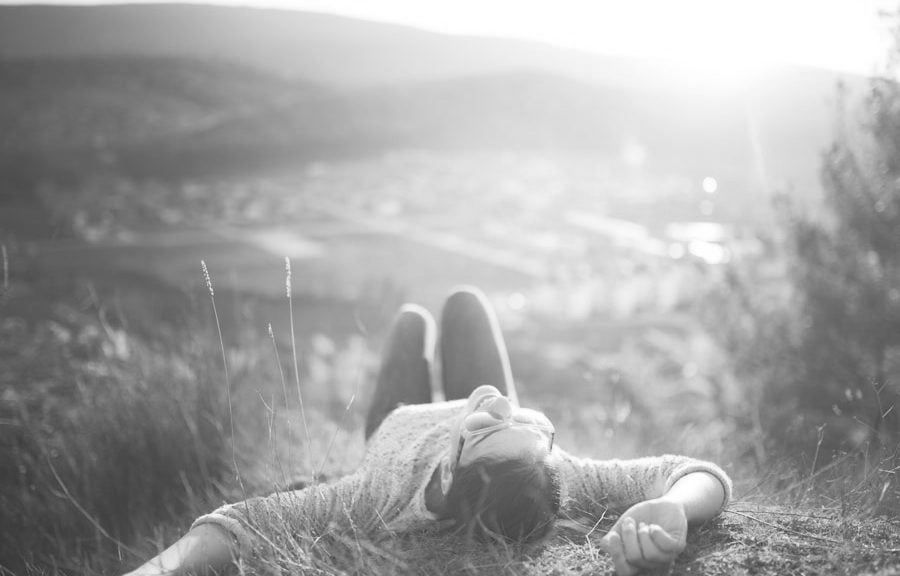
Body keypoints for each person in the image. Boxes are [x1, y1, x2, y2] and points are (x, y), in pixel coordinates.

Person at [125, 287, 731, 576]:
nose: (501, 404)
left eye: (493, 426)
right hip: (489, 452)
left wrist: (153, 572)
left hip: (398, 419)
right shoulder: (556, 467)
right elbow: (695, 473)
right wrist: (675, 507)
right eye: (526, 424)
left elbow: (240, 524)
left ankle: (418, 348)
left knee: (412, 323)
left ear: (448, 467)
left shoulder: (377, 491)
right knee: (465, 304)